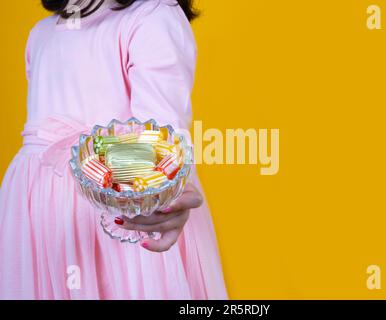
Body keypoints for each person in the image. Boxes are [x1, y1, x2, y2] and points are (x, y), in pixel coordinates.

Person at [0, 0, 227, 299]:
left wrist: (164, 194)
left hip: (113, 203)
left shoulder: (153, 15)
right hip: (39, 215)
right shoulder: (41, 33)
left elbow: (159, 143)